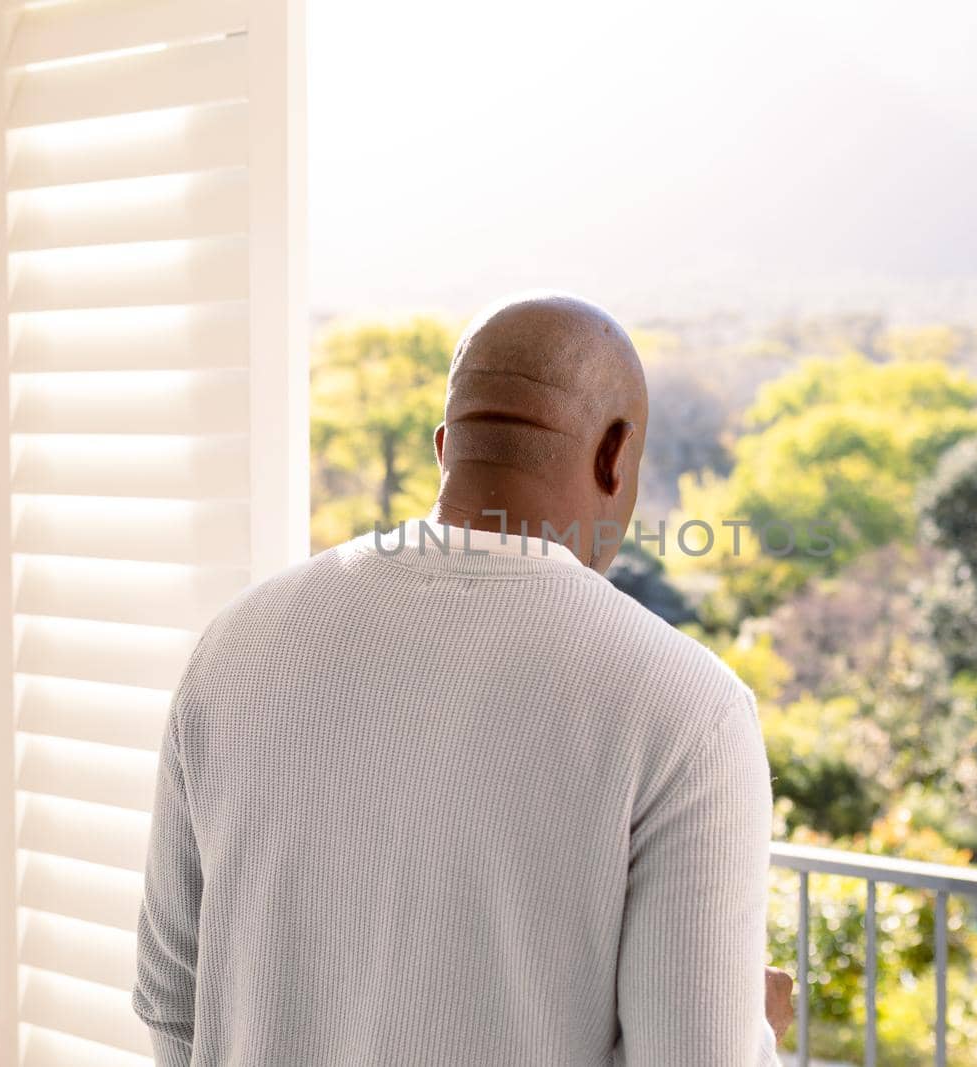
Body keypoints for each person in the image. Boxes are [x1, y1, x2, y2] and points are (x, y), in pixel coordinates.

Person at [133, 292, 793, 1065]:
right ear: (615, 455)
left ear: (446, 448)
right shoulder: (689, 709)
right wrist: (755, 1028)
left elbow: (173, 1006)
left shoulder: (236, 642)